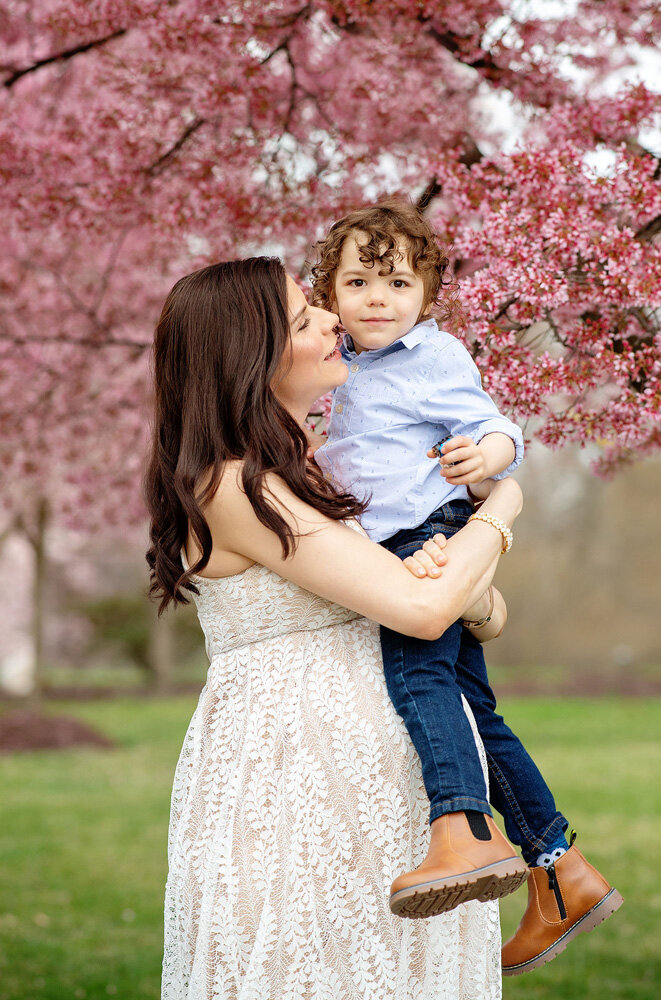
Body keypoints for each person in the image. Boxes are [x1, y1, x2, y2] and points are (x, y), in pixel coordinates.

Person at [145, 256, 524, 999]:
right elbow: (420, 608)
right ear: (250, 358)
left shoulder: (319, 472)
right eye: (302, 319)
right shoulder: (229, 485)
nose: (332, 321)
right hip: (293, 782)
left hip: (392, 783)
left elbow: (478, 615)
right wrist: (501, 510)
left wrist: (460, 588)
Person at [311, 200, 623, 972]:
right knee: (474, 709)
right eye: (357, 281)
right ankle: (559, 867)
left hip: (425, 535)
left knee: (416, 678)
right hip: (388, 542)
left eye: (395, 281)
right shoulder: (339, 364)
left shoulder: (431, 357)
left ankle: (459, 828)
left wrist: (485, 459)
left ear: (426, 294)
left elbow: (500, 429)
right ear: (330, 293)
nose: (376, 297)